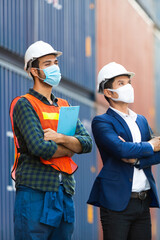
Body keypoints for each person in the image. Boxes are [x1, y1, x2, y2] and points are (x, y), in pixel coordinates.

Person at [9, 40, 93, 240]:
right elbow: (40, 148)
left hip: (64, 191)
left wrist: (61, 138)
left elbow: (87, 143)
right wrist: (70, 147)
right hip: (34, 192)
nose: (55, 67)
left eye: (55, 62)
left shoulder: (64, 105)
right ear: (34, 71)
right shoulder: (24, 104)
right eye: (47, 64)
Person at [87, 62, 160, 240]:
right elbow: (121, 150)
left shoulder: (142, 120)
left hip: (142, 201)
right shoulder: (102, 122)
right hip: (116, 202)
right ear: (108, 92)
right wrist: (149, 146)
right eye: (121, 83)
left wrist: (137, 159)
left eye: (128, 82)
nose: (128, 87)